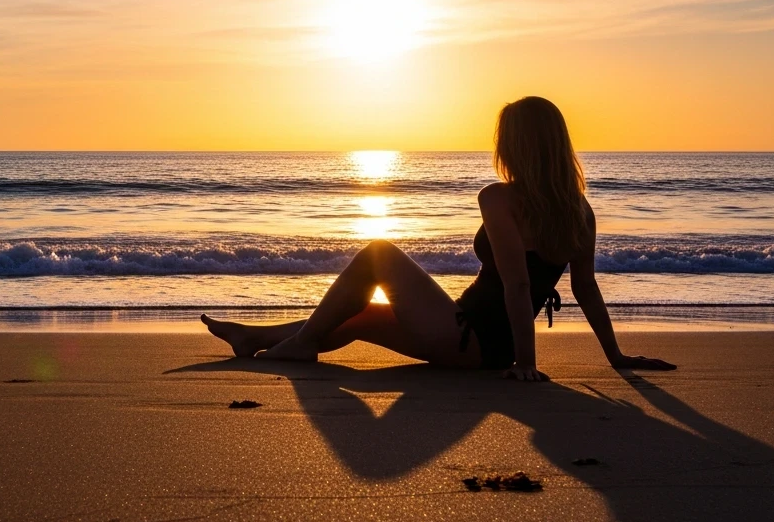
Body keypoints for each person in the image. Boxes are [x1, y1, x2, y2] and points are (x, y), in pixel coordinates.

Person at [202, 96, 675, 381]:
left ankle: (301, 344)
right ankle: (254, 337)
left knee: (379, 253)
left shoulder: (499, 198)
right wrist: (615, 357)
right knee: (364, 315)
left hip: (470, 337)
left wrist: (526, 364)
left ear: (516, 146)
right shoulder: (579, 211)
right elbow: (585, 288)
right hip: (487, 344)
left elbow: (517, 287)